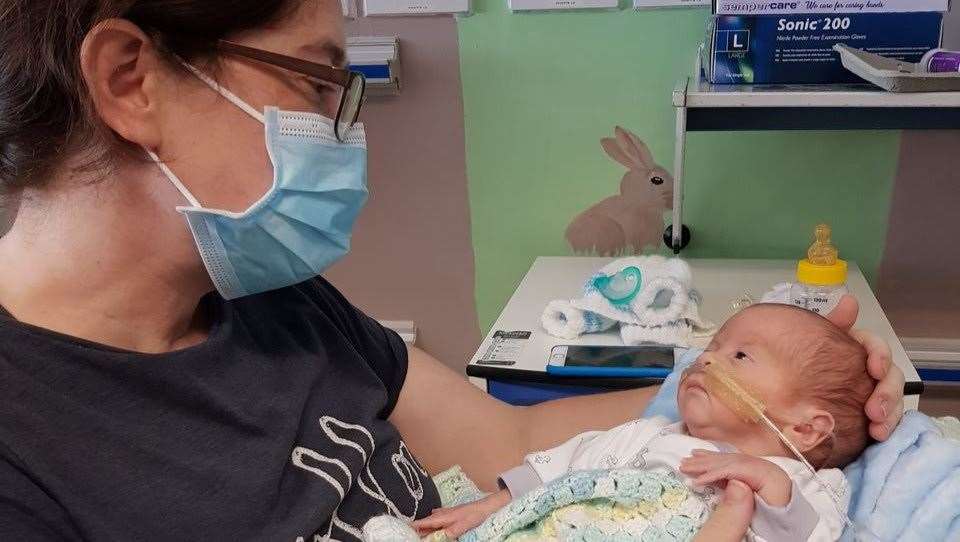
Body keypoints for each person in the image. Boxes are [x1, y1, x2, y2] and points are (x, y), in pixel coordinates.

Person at [0, 1, 905, 540]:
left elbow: (506, 446)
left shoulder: (274, 304)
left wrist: (767, 400)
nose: (346, 126)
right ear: (131, 80)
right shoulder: (28, 458)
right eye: (317, 82)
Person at [414, 304, 874, 540]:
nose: (707, 361)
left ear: (806, 429)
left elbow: (818, 534)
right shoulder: (652, 435)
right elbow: (568, 465)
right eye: (712, 347)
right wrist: (497, 502)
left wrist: (770, 485)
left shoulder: (804, 484)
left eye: (739, 355)